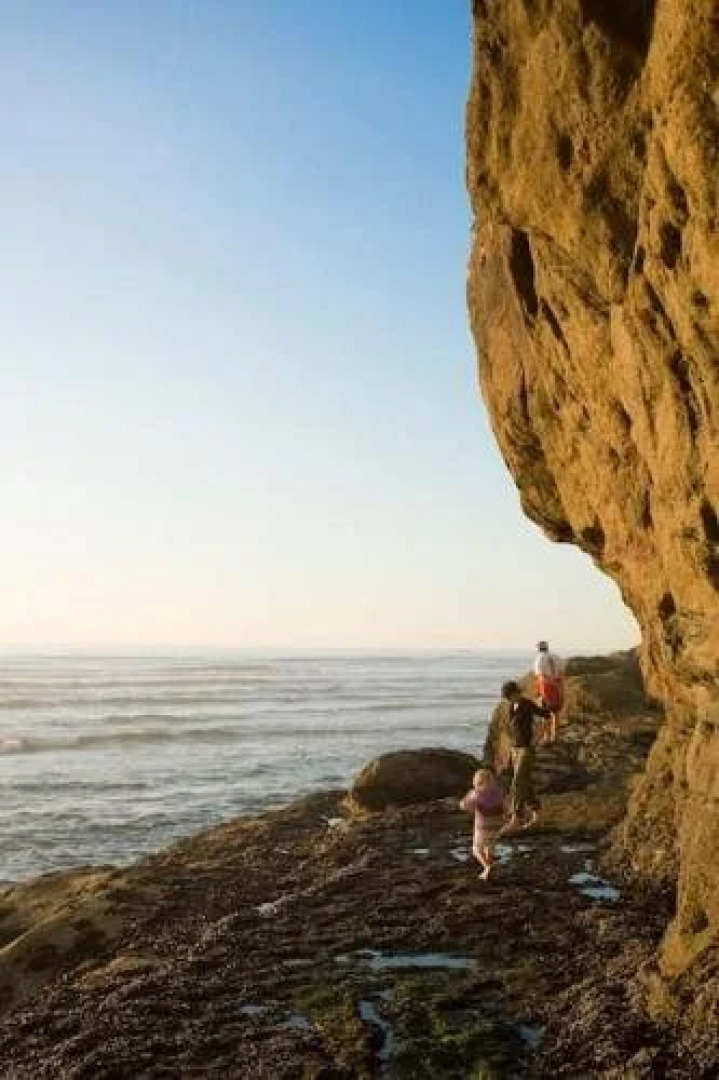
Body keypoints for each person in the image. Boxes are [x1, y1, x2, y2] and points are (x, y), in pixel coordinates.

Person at [500, 680, 551, 832]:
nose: (509, 699)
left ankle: (516, 818)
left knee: (517, 783)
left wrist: (541, 736)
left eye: (510, 696)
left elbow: (546, 715)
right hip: (516, 750)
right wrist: (510, 751)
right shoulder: (511, 706)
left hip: (527, 750)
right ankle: (537, 816)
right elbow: (512, 729)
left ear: (516, 693)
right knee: (525, 784)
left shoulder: (526, 704)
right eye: (507, 698)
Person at [459, 767, 505, 881]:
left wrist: (466, 802)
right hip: (497, 826)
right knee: (489, 847)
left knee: (476, 849)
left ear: (477, 782)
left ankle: (487, 867)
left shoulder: (477, 793)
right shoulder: (499, 791)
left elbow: (465, 806)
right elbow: (506, 805)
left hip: (482, 827)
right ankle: (489, 869)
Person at [534, 641, 564, 743]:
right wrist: (559, 687)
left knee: (545, 714)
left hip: (546, 688)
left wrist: (540, 692)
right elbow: (561, 673)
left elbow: (542, 677)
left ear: (538, 649)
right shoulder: (556, 657)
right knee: (555, 713)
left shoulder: (539, 659)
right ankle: (555, 737)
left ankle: (546, 737)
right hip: (557, 687)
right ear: (547, 647)